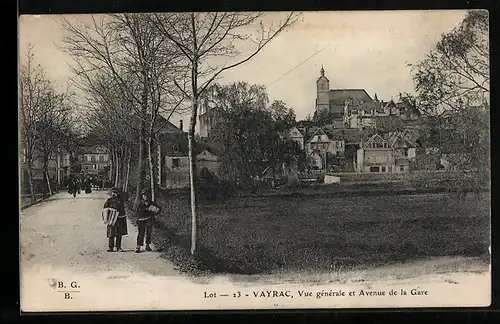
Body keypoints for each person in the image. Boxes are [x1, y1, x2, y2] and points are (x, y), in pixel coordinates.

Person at [103, 187, 128, 252]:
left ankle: (118, 247)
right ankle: (110, 247)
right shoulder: (109, 200)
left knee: (119, 233)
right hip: (111, 218)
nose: (114, 194)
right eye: (113, 192)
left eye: (115, 192)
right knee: (111, 233)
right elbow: (105, 208)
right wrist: (109, 211)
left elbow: (122, 208)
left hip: (119, 218)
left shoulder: (120, 200)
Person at [135, 188, 159, 253]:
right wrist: (146, 209)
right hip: (141, 219)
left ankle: (147, 245)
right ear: (142, 196)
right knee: (141, 233)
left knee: (148, 233)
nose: (145, 196)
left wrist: (155, 211)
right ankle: (138, 246)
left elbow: (158, 209)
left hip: (149, 219)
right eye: (144, 195)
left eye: (146, 195)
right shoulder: (139, 203)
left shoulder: (151, 203)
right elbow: (136, 211)